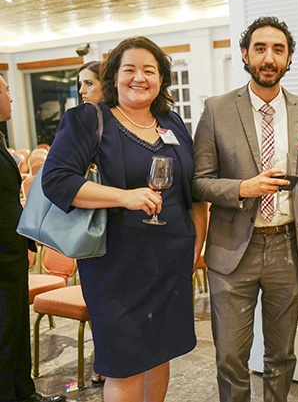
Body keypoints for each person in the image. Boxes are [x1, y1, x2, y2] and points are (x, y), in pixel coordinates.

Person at [41, 37, 207, 402]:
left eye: (149, 70)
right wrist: (123, 197)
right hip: (116, 265)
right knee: (125, 362)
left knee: (160, 351)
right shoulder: (89, 119)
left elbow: (193, 188)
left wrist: (197, 242)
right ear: (114, 77)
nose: (139, 78)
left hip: (171, 261)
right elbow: (56, 180)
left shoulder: (172, 123)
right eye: (129, 69)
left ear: (161, 79)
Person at [192, 16, 298, 402]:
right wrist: (243, 188)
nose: (269, 58)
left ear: (289, 59)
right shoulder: (217, 110)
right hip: (232, 250)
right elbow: (198, 182)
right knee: (230, 357)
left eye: (278, 50)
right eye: (260, 48)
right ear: (245, 55)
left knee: (282, 355)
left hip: (290, 249)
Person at [0, 76, 66, 402]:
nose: (11, 98)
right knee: (5, 333)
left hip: (11, 253)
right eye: (6, 91)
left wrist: (25, 241)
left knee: (15, 328)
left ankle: (24, 392)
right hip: (2, 256)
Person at [75, 60, 107, 388]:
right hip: (90, 223)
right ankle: (103, 361)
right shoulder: (81, 122)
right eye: (80, 84)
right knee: (97, 298)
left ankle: (108, 360)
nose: (82, 91)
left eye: (89, 83)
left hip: (116, 224)